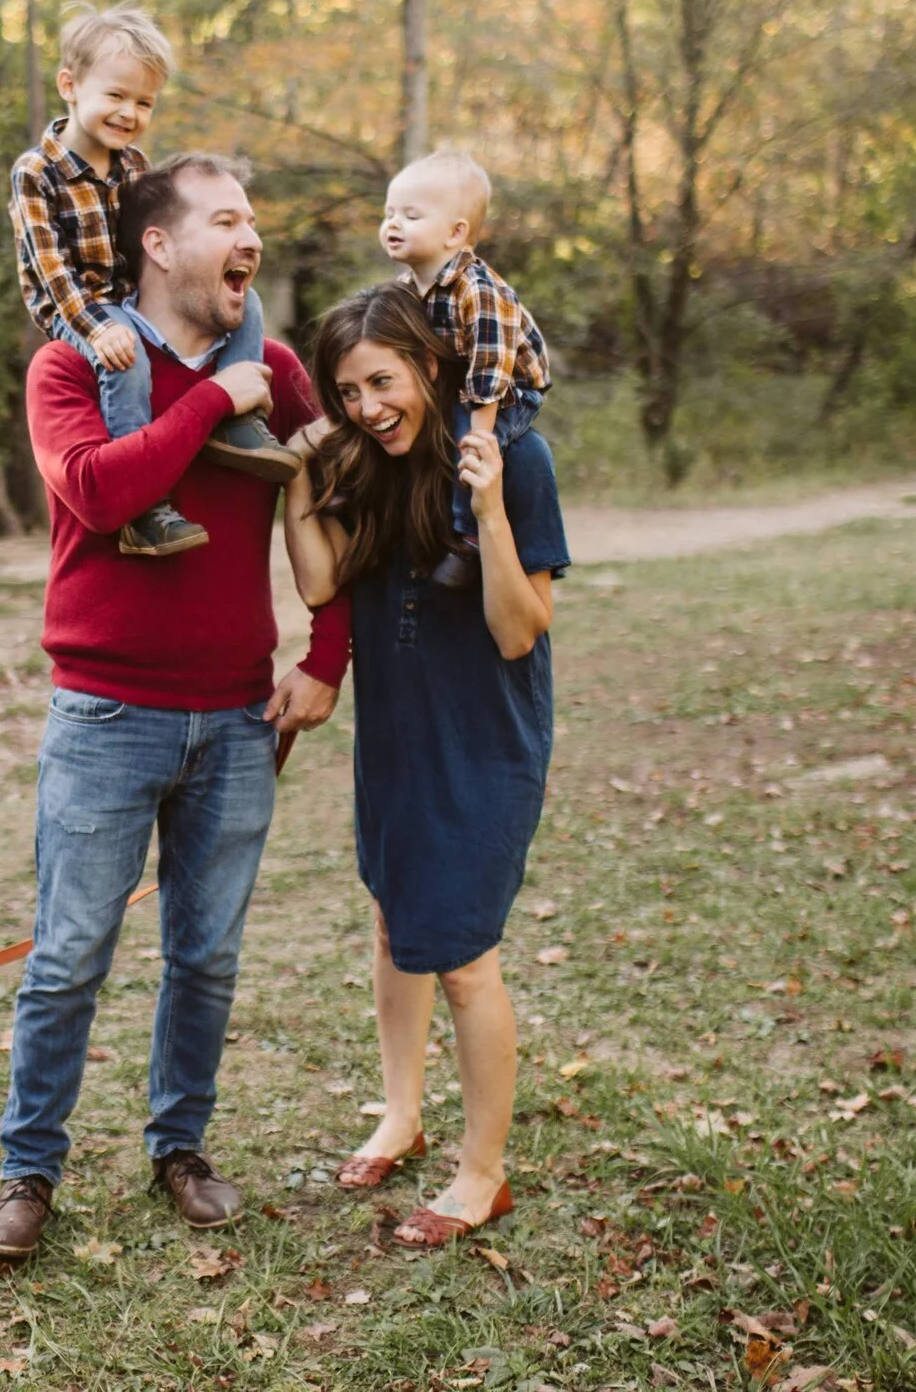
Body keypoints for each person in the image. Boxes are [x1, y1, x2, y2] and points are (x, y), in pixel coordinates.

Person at [0, 154, 348, 1266]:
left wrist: (325, 652)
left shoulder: (274, 366)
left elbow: (343, 497)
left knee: (207, 956)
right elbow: (96, 491)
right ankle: (29, 1168)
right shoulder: (70, 365)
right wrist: (213, 407)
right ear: (159, 241)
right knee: (70, 953)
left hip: (237, 716)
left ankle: (180, 1147)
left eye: (255, 222)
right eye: (228, 219)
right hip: (103, 713)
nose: (253, 240)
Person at [279, 284, 568, 1250]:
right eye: (348, 390)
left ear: (431, 366)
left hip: (482, 739)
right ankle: (400, 1115)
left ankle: (483, 1174)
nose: (366, 406)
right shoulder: (364, 461)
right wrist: (295, 475)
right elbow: (320, 580)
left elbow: (519, 632)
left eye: (382, 382)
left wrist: (487, 511)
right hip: (395, 731)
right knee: (392, 916)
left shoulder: (516, 460)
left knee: (465, 962)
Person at [10, 5, 297, 559]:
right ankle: (145, 508)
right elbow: (51, 274)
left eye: (143, 102)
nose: (129, 113)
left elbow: (156, 237)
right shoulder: (36, 172)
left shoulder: (133, 164)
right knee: (127, 359)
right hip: (76, 308)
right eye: (116, 96)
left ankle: (238, 424)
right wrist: (96, 331)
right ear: (69, 86)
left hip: (126, 299)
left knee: (250, 302)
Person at [375, 150, 551, 589]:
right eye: (389, 213)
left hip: (510, 390)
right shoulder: (406, 288)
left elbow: (490, 366)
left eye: (411, 215)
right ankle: (358, 490)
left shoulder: (478, 288)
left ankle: (468, 538)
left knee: (466, 448)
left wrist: (481, 433)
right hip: (458, 383)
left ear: (456, 233)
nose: (394, 224)